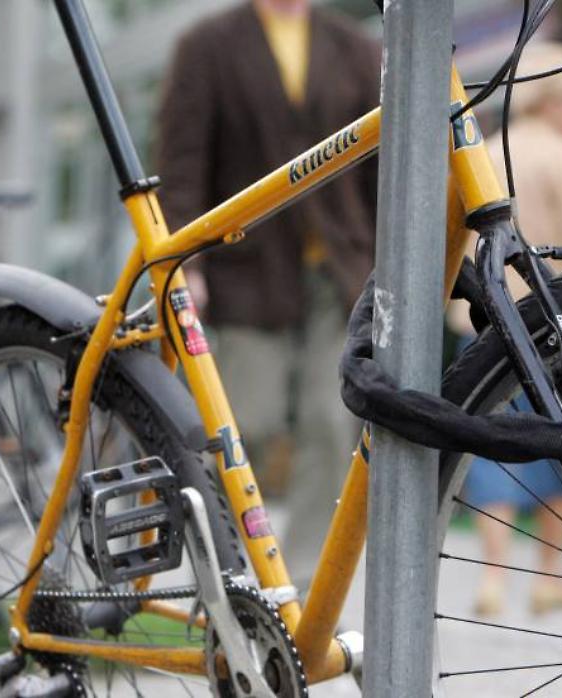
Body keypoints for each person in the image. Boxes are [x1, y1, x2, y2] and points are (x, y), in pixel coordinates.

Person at [155, 0, 381, 583]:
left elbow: (381, 167)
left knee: (331, 425)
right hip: (245, 268)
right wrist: (186, 261)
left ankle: (304, 587)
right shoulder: (207, 45)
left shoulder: (352, 45)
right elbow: (181, 161)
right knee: (241, 427)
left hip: (339, 271)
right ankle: (229, 576)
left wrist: (392, 263)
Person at [450, 41, 562, 617]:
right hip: (556, 326)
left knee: (494, 449)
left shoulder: (485, 150)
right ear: (553, 99)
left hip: (485, 328)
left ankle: (492, 577)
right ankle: (549, 574)